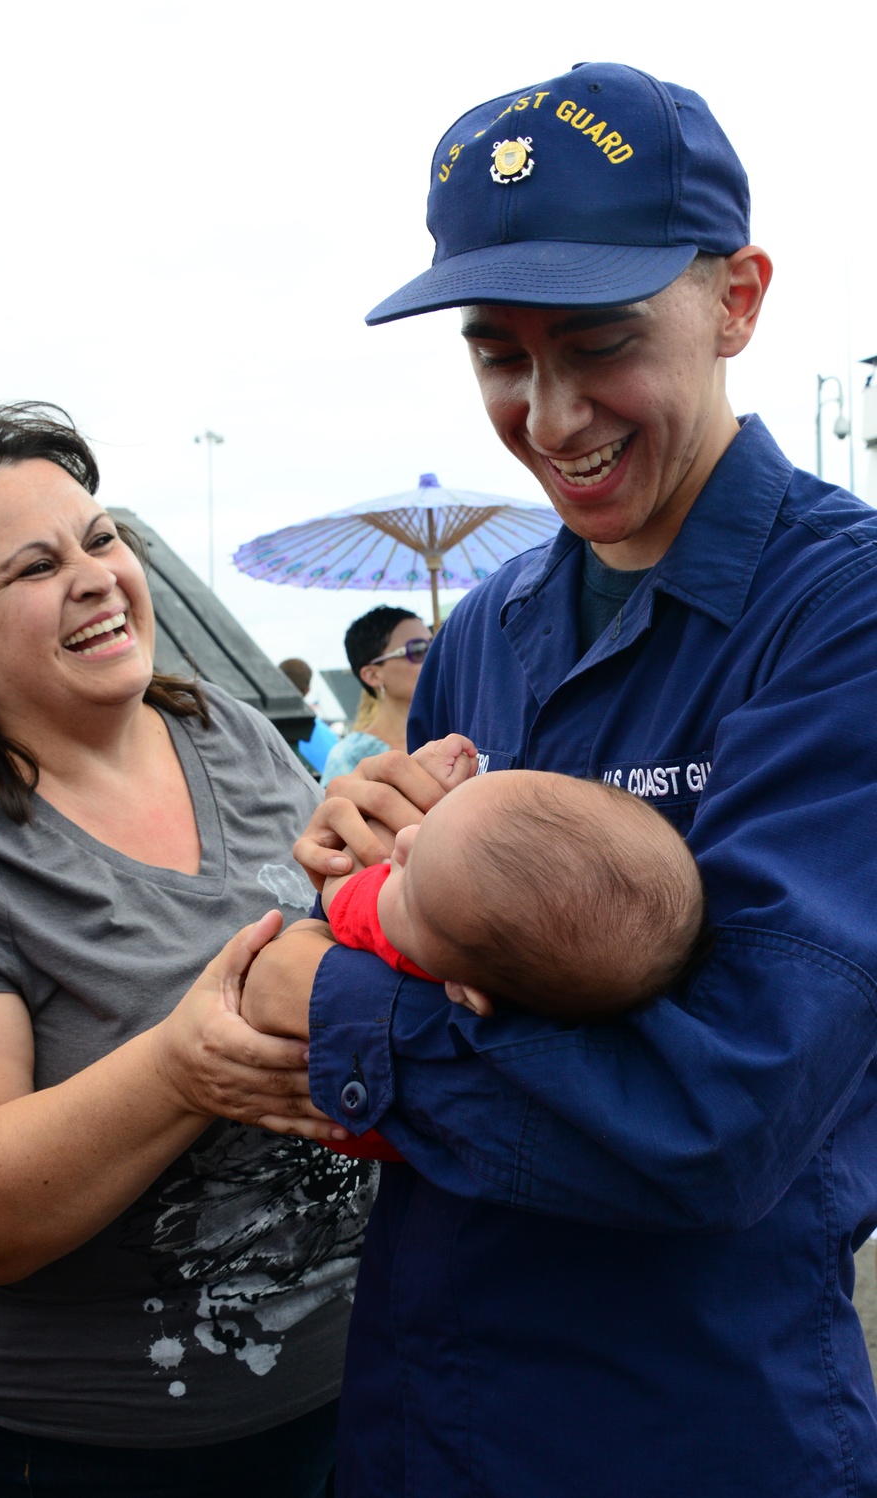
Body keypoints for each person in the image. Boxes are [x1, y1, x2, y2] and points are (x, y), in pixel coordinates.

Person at [237, 61, 877, 1497]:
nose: (549, 412)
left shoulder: (843, 614)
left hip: (685, 1421)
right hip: (424, 1400)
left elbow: (720, 1122)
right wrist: (355, 868)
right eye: (496, 353)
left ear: (740, 299)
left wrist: (327, 1000)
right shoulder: (490, 635)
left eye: (598, 342)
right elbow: (436, 936)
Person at [0, 404, 375, 1498]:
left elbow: (325, 942)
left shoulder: (229, 733)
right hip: (83, 1443)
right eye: (34, 566)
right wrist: (179, 1068)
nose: (97, 575)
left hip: (346, 1385)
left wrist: (398, 875)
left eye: (102, 539)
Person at [325, 733, 706, 1020]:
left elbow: (340, 895)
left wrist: (373, 825)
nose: (406, 836)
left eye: (409, 889)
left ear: (466, 993)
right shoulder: (470, 935)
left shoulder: (421, 952)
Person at [318, 606, 431, 786]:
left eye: (435, 645)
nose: (433, 658)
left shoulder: (456, 733)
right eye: (418, 650)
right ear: (372, 675)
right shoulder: (350, 757)